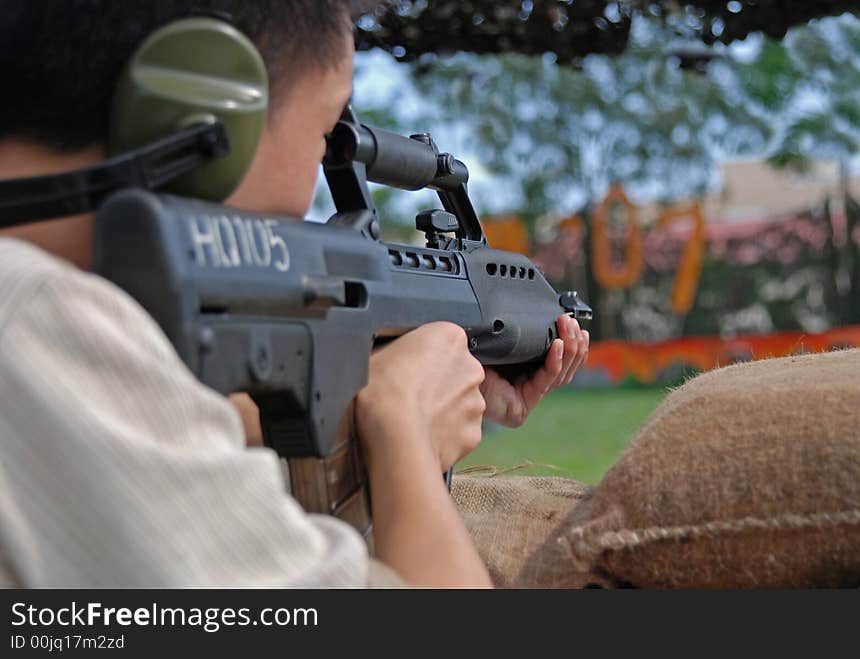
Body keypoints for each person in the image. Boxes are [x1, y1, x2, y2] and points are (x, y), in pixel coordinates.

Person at [0, 1, 589, 588]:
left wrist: (368, 382)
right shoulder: (42, 322)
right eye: (320, 137)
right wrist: (405, 424)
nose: (317, 191)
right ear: (200, 117)